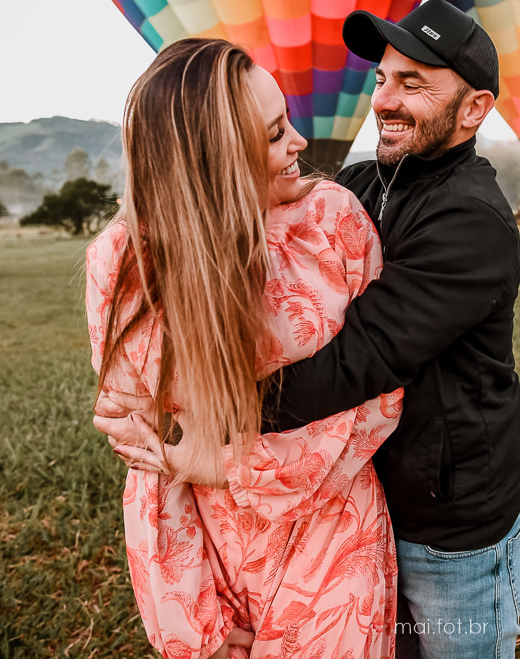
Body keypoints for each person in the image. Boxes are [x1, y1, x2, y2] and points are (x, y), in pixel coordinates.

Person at [100, 0, 520, 658]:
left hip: (450, 521)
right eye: (382, 78)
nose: (385, 99)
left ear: (474, 109)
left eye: (414, 83)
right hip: (363, 500)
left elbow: (360, 359)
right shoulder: (358, 184)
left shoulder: (471, 220)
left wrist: (194, 432)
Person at [86, 38, 403, 659]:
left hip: (333, 532)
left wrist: (224, 465)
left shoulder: (333, 220)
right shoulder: (126, 263)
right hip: (209, 549)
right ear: (215, 161)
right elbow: (147, 457)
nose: (301, 145)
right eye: (275, 133)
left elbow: (382, 392)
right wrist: (191, 621)